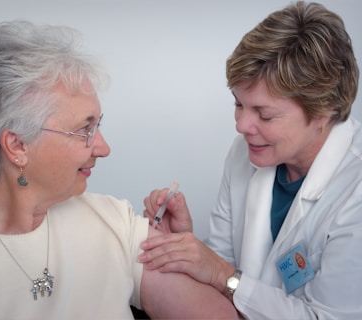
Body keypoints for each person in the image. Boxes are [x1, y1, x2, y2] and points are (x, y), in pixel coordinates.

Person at [0, 20, 238, 319]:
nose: (104, 148)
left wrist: (183, 253)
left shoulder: (113, 223)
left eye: (98, 125)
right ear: (17, 146)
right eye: (85, 129)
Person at [138, 1, 362, 319]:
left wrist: (220, 273)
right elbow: (221, 276)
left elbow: (328, 316)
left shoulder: (355, 191)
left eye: (264, 114)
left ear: (322, 111)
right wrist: (186, 243)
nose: (241, 126)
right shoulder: (246, 152)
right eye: (239, 104)